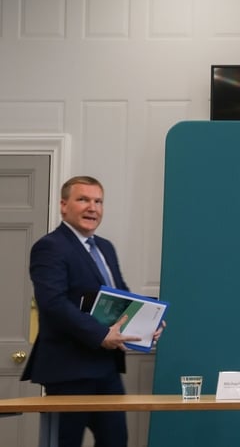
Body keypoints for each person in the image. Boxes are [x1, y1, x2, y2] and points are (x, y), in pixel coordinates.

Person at [22, 175, 164, 447]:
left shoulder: (106, 248)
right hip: (68, 370)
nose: (93, 207)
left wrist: (147, 326)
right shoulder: (50, 247)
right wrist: (100, 334)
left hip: (106, 369)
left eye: (98, 201)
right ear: (64, 205)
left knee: (116, 442)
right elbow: (53, 304)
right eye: (83, 199)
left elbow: (121, 298)